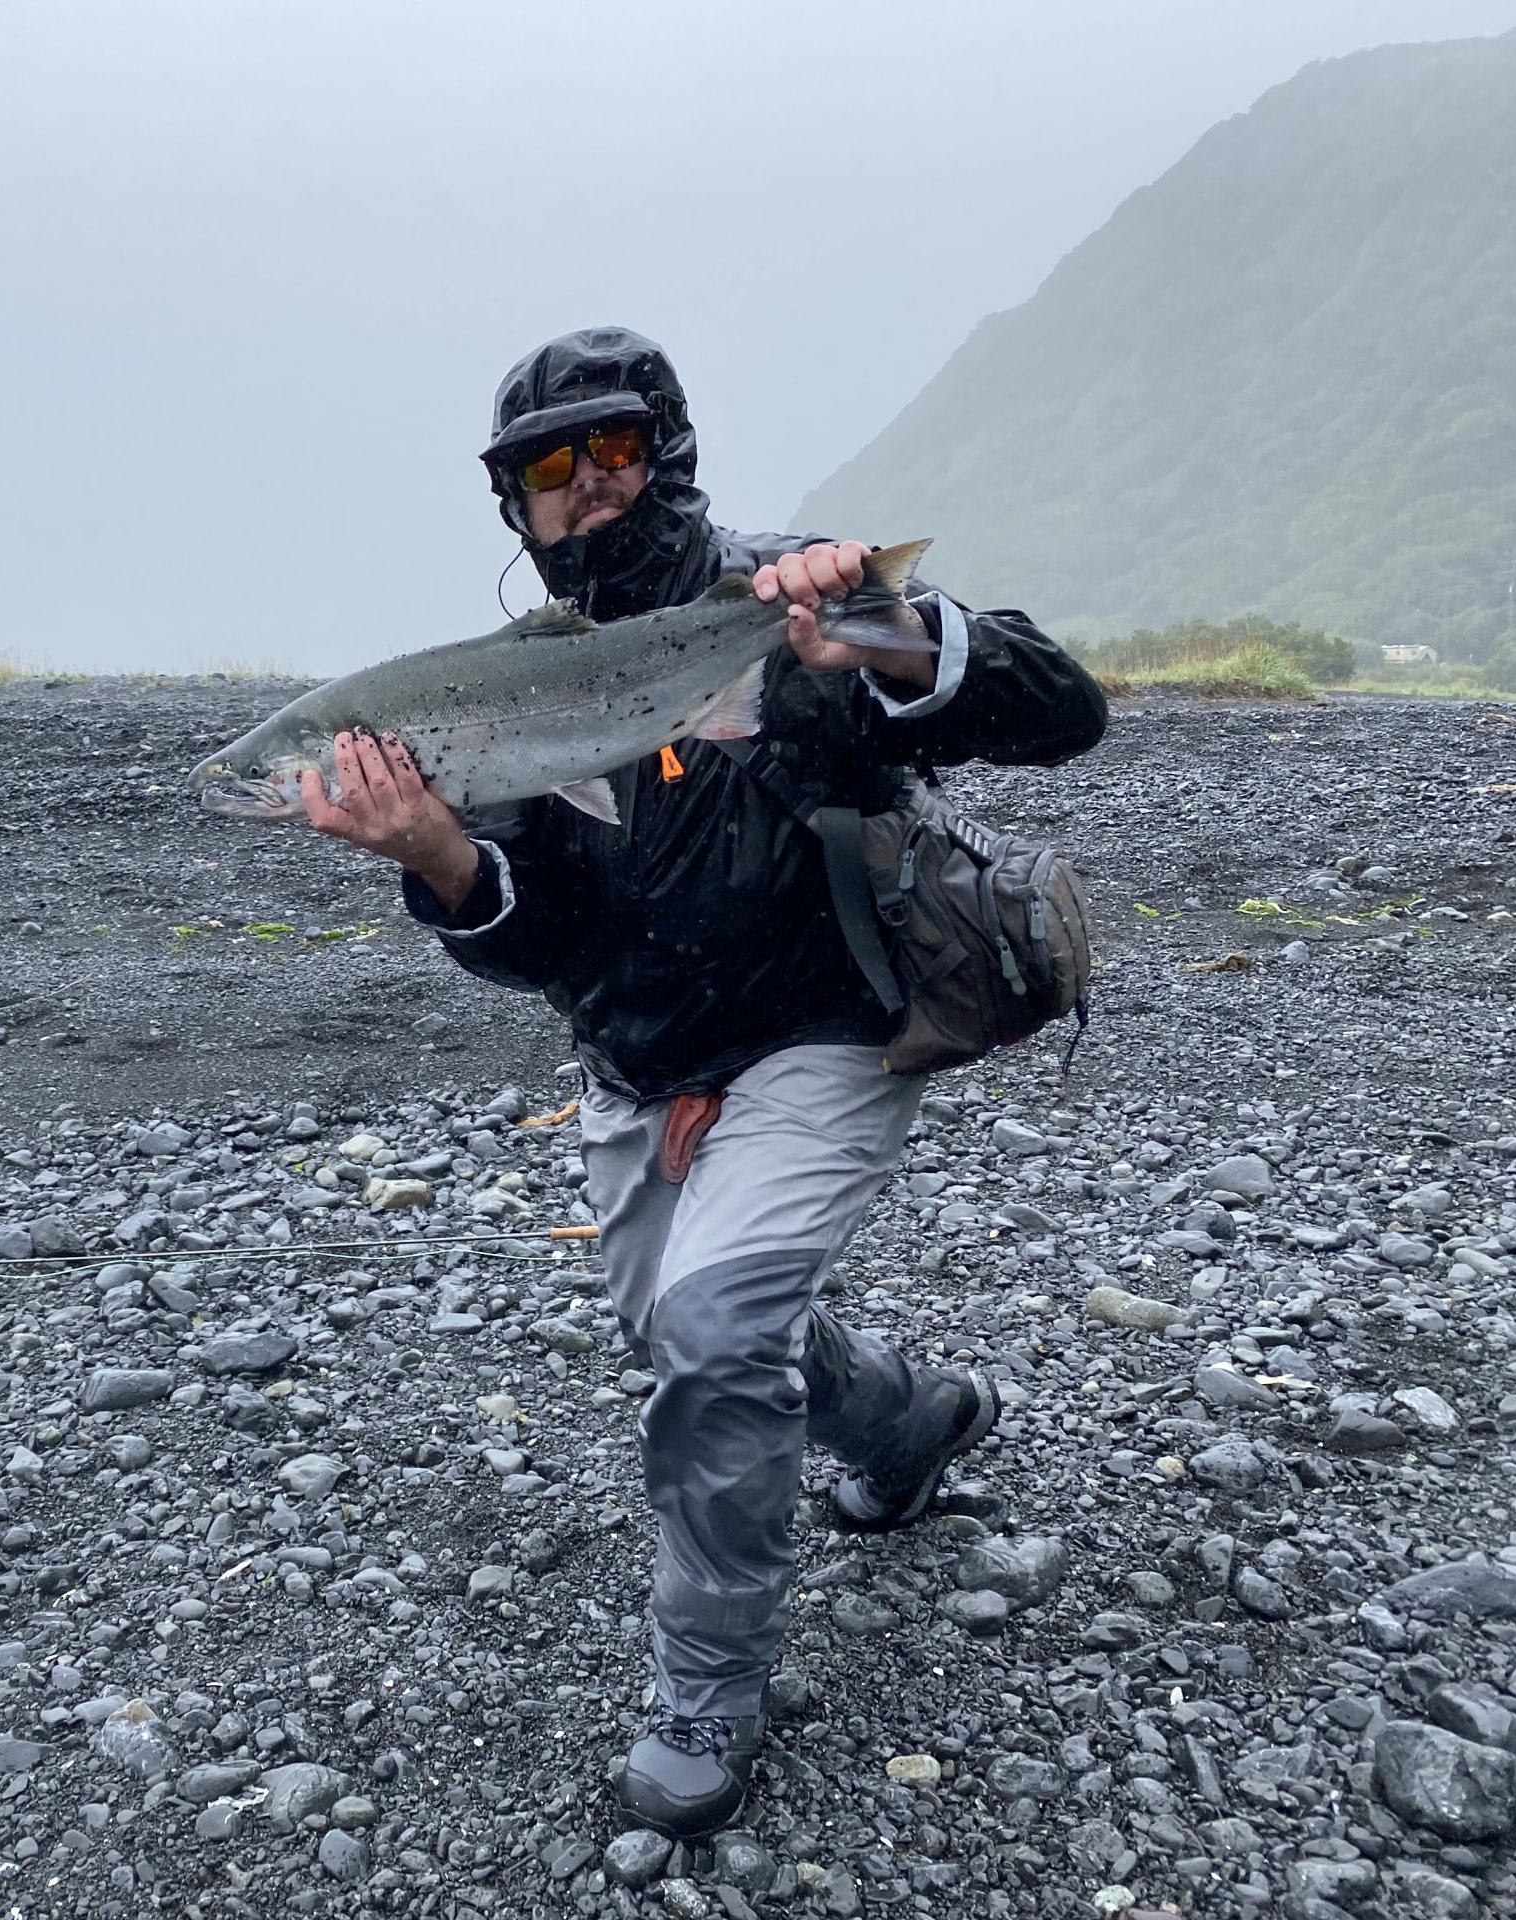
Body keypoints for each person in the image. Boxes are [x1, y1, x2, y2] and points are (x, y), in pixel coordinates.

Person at [297, 327, 1108, 1839]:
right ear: (514, 504)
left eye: (613, 447)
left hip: (825, 1031)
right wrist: (441, 859)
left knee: (716, 1329)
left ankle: (708, 1685)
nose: (586, 485)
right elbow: (544, 941)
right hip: (640, 1057)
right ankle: (905, 1424)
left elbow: (1067, 710)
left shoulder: (790, 594)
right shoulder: (498, 692)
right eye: (548, 468)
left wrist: (892, 637)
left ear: (664, 450)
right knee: (682, 1327)